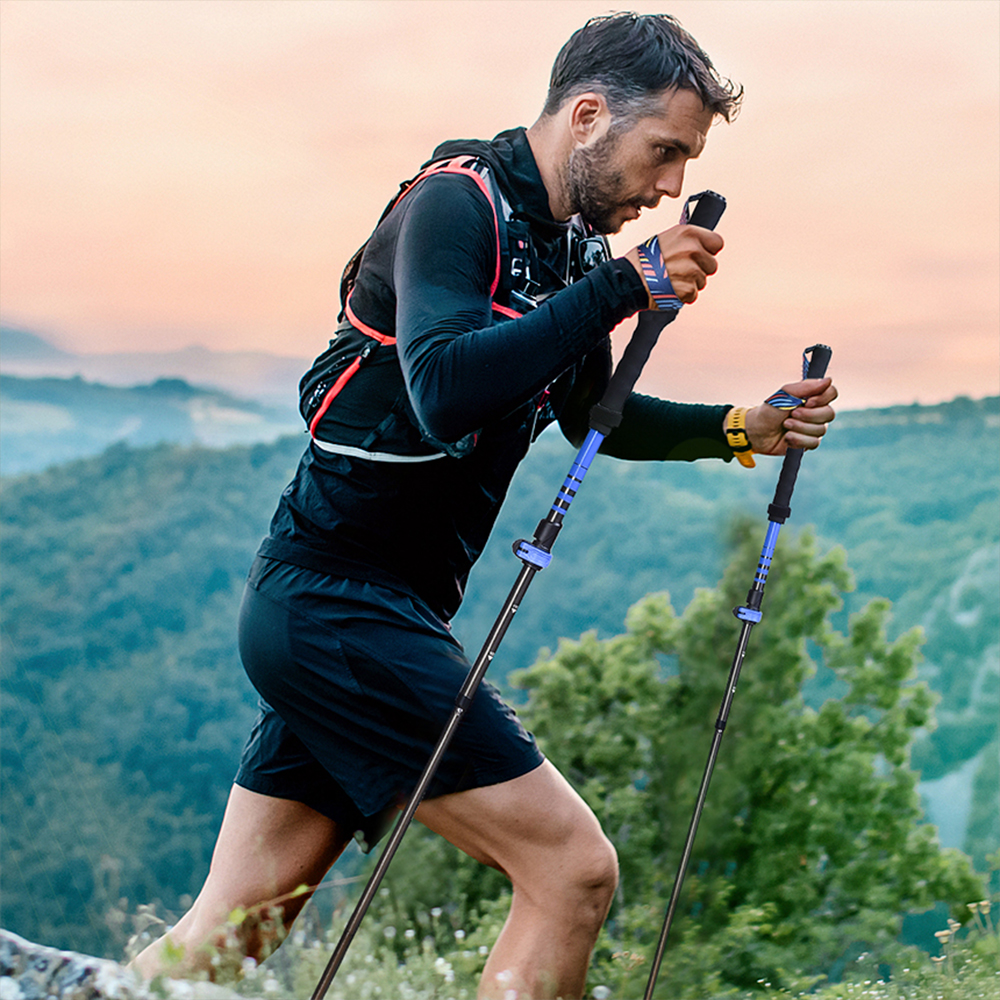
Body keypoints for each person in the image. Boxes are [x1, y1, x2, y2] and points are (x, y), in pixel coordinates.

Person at [132, 11, 837, 999]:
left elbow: (598, 414)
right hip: (337, 606)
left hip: (350, 616)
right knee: (572, 871)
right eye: (663, 151)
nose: (671, 185)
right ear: (587, 115)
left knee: (231, 932)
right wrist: (627, 286)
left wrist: (742, 426)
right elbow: (446, 385)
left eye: (685, 161)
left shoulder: (562, 253)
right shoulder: (457, 205)